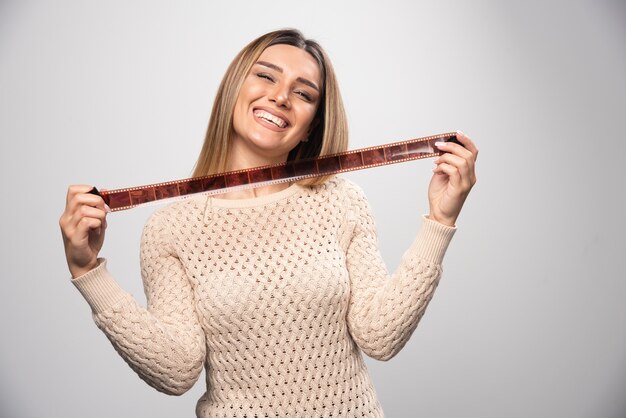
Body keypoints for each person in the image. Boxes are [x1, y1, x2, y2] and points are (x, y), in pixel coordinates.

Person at [60, 29, 477, 417]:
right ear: (235, 88)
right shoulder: (171, 228)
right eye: (266, 76)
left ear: (312, 124)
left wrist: (440, 221)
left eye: (304, 93)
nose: (281, 97)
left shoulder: (342, 201)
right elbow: (176, 370)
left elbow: (380, 336)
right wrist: (87, 271)